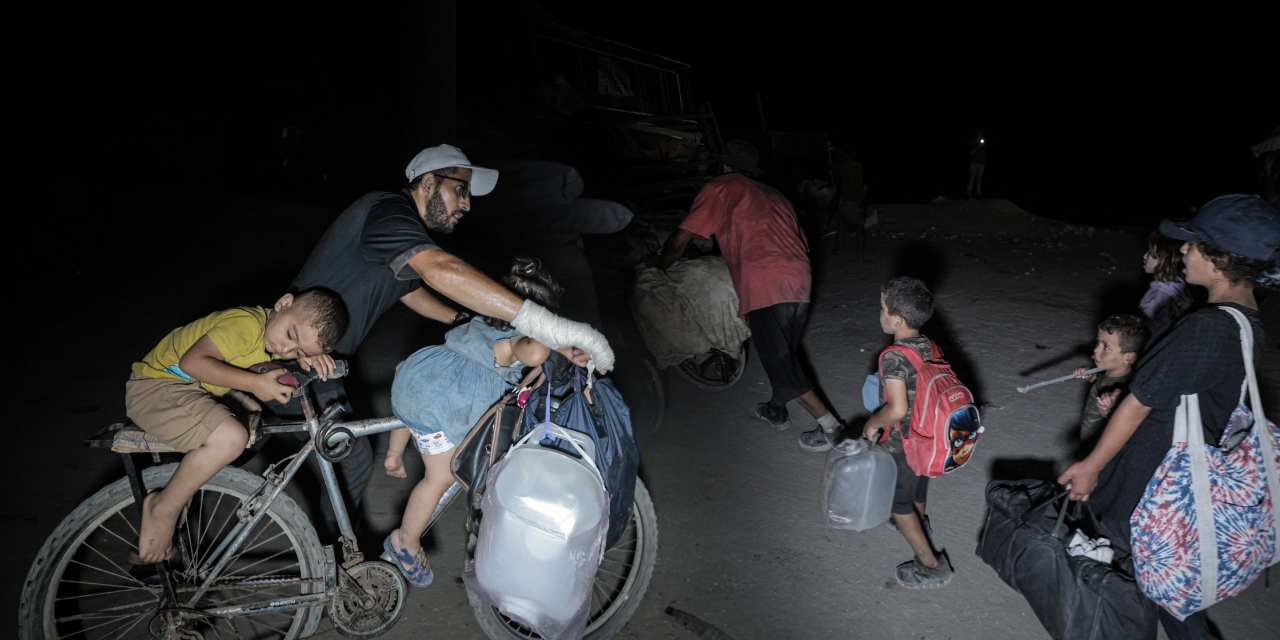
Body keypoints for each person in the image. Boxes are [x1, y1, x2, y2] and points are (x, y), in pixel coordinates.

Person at [289, 144, 614, 535]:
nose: (467, 204)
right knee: (348, 459)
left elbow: (408, 289)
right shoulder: (387, 210)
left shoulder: (398, 231)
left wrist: (467, 318)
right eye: (460, 190)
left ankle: (330, 554)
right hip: (294, 354)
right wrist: (547, 324)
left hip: (324, 360)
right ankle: (331, 567)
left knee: (344, 452)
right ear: (428, 183)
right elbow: (438, 268)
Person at [1058, 194, 1280, 638]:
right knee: (1163, 589)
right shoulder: (1248, 323)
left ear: (1219, 262)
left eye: (1193, 245)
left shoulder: (1208, 326)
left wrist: (1090, 466)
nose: (1182, 251)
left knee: (1145, 585)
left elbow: (1138, 404)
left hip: (1153, 483)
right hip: (1184, 472)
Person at [126, 289, 348, 563]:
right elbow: (192, 362)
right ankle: (163, 508)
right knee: (231, 438)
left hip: (184, 389)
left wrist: (305, 357)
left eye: (299, 350)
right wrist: (254, 384)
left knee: (250, 415)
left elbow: (261, 357)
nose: (285, 349)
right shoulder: (244, 325)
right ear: (283, 303)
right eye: (291, 336)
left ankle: (181, 490)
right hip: (154, 388)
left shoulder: (268, 332)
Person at [379, 258, 561, 586]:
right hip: (444, 400)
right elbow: (534, 355)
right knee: (439, 477)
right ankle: (405, 540)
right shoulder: (515, 338)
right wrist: (551, 329)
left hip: (419, 377)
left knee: (415, 412)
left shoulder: (482, 320)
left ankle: (394, 453)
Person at [656, 139, 842, 446]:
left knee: (781, 363)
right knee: (783, 354)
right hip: (799, 278)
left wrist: (659, 268)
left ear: (725, 166)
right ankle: (776, 409)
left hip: (765, 280)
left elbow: (680, 239)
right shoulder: (773, 194)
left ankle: (831, 428)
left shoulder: (722, 187)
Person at [858, 277, 954, 588]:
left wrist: (873, 423)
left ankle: (931, 564)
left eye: (882, 308)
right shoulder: (929, 344)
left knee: (896, 502)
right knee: (917, 488)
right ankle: (919, 523)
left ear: (897, 320)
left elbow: (897, 409)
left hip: (903, 442)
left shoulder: (893, 356)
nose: (880, 313)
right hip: (928, 437)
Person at [1072, 315, 1147, 448]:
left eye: (1106, 348)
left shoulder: (1125, 389)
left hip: (1100, 443)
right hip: (1088, 433)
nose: (1095, 350)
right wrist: (1091, 376)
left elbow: (1127, 420)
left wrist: (1110, 409)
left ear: (1128, 358)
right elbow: (1102, 382)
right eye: (1097, 343)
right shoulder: (1109, 372)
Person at [1140, 232, 1195, 339]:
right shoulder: (1179, 282)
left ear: (1165, 260)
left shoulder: (1159, 295)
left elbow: (1146, 329)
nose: (1145, 256)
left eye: (1150, 254)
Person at [967, 132, 987, 199]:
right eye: (979, 135)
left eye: (981, 135)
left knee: (979, 180)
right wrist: (978, 146)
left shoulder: (984, 143)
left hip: (981, 164)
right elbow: (971, 153)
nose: (980, 136)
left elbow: (985, 154)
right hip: (974, 163)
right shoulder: (973, 142)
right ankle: (969, 194)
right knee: (972, 178)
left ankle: (978, 194)